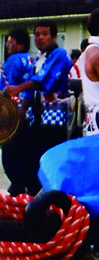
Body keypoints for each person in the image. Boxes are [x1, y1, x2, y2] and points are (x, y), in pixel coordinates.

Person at [4, 21, 71, 195]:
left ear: (54, 36)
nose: (40, 38)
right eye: (37, 34)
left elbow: (43, 81)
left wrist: (17, 88)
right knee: (34, 160)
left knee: (49, 160)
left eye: (45, 34)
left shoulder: (60, 55)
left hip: (54, 118)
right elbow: (29, 90)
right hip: (37, 118)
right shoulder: (38, 58)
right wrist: (21, 111)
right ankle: (31, 198)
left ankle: (48, 203)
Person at [0, 27, 35, 195]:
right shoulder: (32, 59)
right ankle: (28, 187)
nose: (7, 46)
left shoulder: (13, 61)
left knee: (9, 155)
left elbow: (6, 89)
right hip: (31, 113)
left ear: (20, 44)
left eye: (10, 42)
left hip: (13, 114)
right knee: (26, 153)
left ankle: (17, 187)